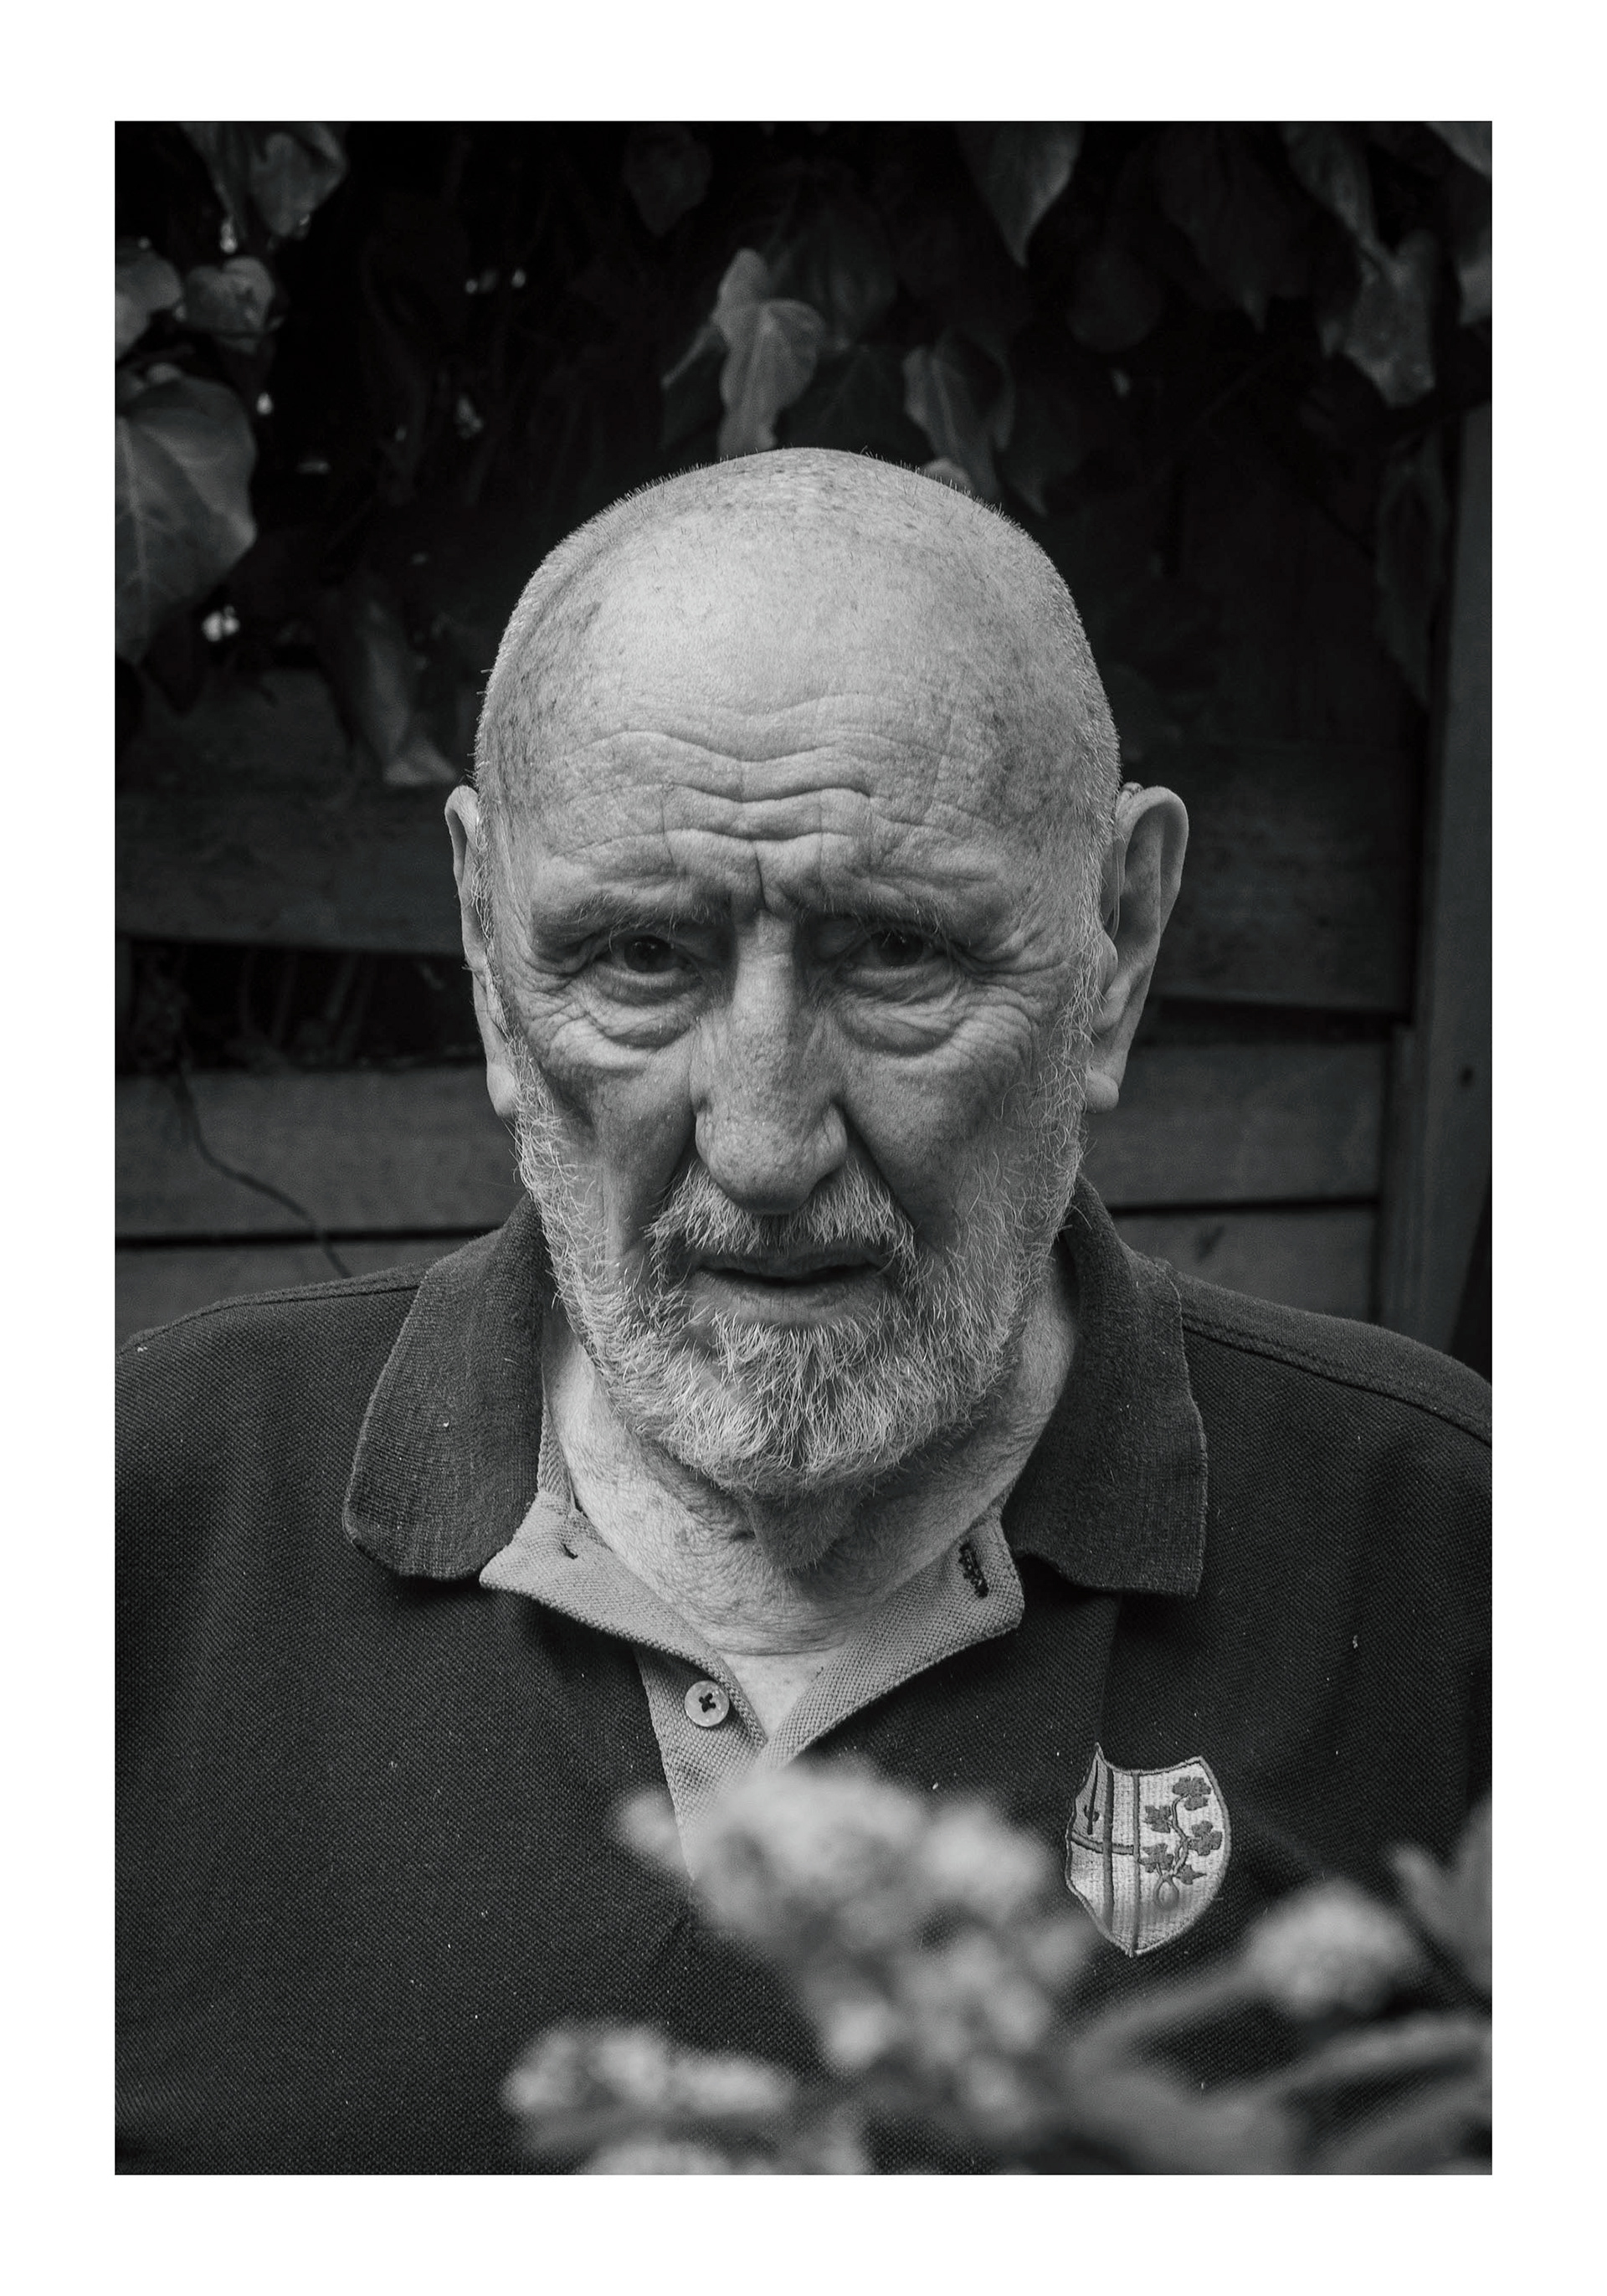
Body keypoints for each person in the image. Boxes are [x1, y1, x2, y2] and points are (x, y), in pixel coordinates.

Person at [117, 449, 1489, 2174]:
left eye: (898, 954)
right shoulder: (124, 1535)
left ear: (1120, 941)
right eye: (639, 958)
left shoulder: (1467, 1573)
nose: (765, 1146)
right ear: (482, 942)